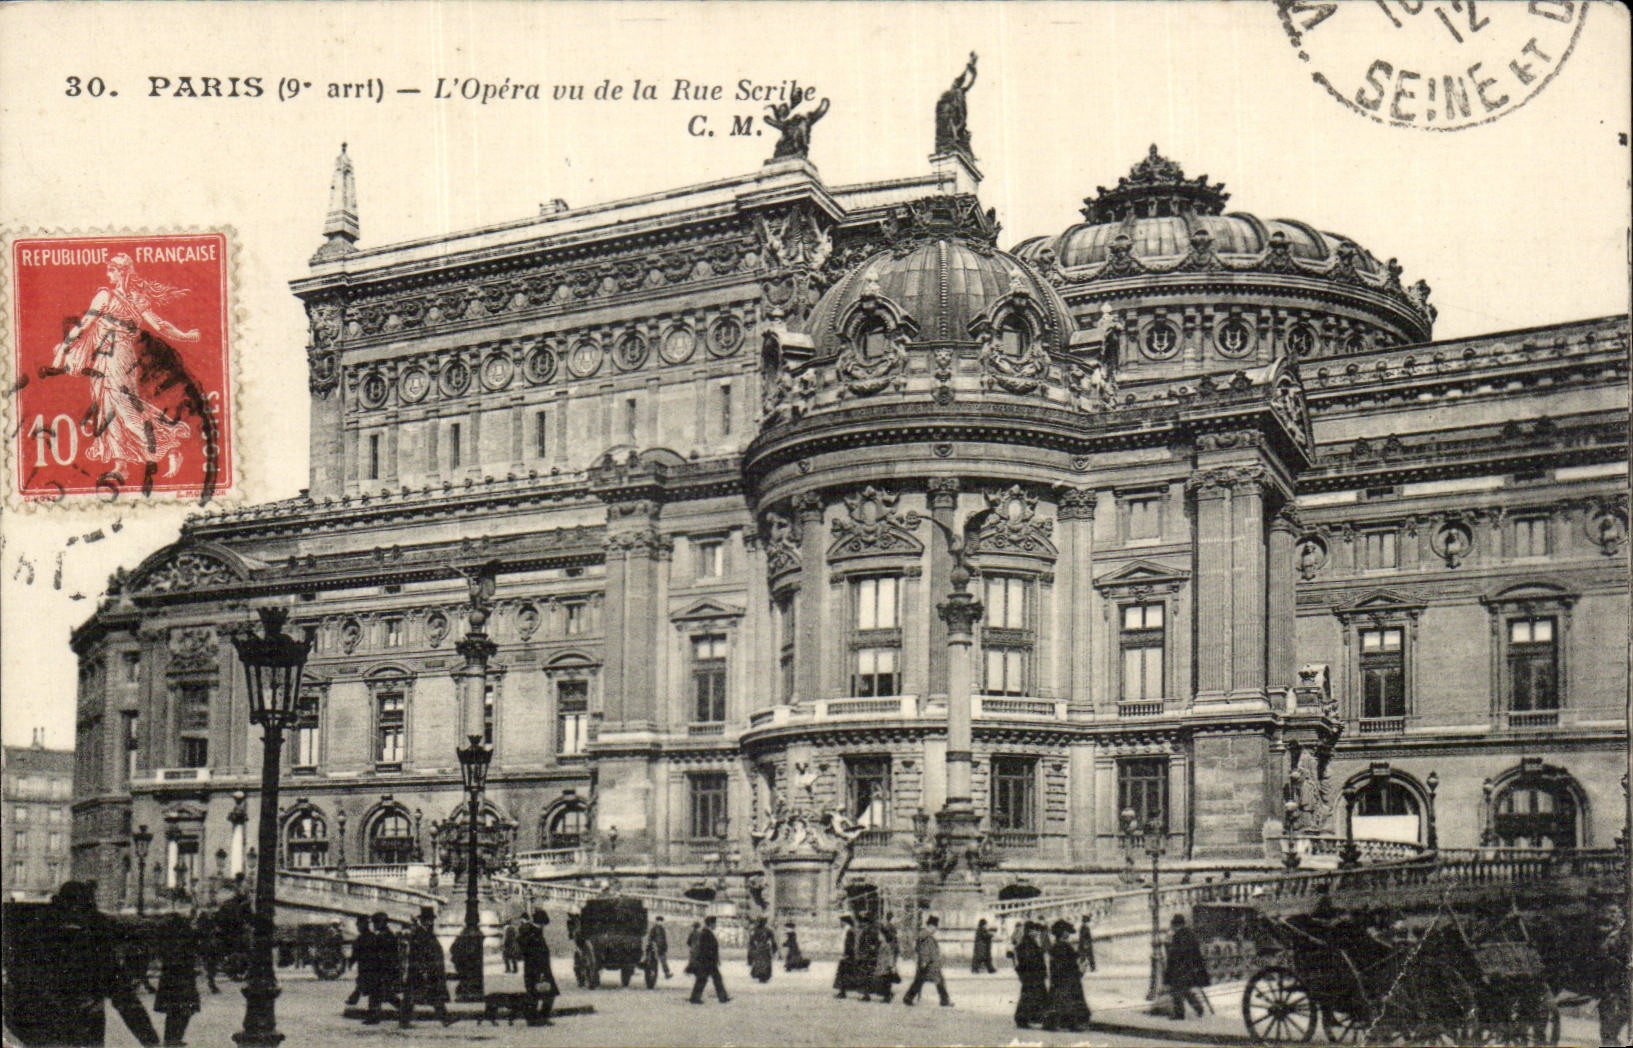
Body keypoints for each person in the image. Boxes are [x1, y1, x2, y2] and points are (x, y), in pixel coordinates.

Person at [48, 252, 203, 485]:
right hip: (105, 356)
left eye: (111, 270)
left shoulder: (115, 296)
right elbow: (86, 325)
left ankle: (170, 446)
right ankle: (120, 466)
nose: (108, 274)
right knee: (107, 408)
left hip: (119, 356)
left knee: (125, 408)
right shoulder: (114, 296)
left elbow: (157, 325)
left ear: (121, 271)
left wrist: (186, 336)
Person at [23, 880, 161, 1047]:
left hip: (53, 1021)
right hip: (82, 1018)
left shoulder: (40, 931)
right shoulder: (95, 941)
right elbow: (124, 998)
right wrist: (150, 1040)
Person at [399, 906, 453, 1028]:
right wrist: (423, 970)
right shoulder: (419, 934)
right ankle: (404, 1021)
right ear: (423, 920)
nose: (431, 922)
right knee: (413, 996)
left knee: (430, 995)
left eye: (432, 920)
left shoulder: (425, 933)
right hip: (421, 971)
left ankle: (445, 1019)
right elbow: (418, 954)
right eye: (429, 920)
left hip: (428, 970)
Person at [153, 914, 201, 1047]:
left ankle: (172, 1039)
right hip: (182, 978)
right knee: (183, 1009)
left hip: (172, 978)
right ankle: (173, 1040)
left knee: (174, 1011)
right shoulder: (184, 936)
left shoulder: (166, 938)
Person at [1042, 919, 1093, 1032]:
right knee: (1067, 1001)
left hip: (1062, 978)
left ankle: (1056, 1023)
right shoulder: (1062, 947)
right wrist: (1078, 969)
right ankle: (1071, 1024)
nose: (1068, 934)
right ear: (1061, 933)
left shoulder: (1058, 946)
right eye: (1066, 932)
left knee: (1059, 1001)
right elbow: (1066, 963)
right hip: (1066, 978)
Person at [1162, 913, 1211, 1020]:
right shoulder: (1190, 934)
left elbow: (1175, 954)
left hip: (1180, 968)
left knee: (1176, 991)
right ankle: (1198, 1008)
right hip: (1190, 968)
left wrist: (1170, 970)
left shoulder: (1178, 936)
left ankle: (1180, 1014)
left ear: (1176, 925)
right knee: (1185, 990)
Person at [353, 912, 399, 1025]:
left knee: (384, 994)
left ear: (382, 922)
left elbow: (387, 956)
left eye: (376, 922)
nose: (374, 925)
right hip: (380, 970)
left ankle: (405, 1011)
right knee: (379, 994)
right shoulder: (383, 935)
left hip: (385, 970)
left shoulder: (387, 936)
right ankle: (374, 1016)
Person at [517, 909, 559, 1027]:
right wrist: (541, 972)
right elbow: (537, 954)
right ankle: (538, 1018)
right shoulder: (533, 933)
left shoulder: (531, 932)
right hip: (539, 969)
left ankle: (535, 1018)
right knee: (546, 994)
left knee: (535, 994)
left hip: (533, 969)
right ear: (541, 923)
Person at [902, 915, 951, 1007]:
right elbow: (925, 950)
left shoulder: (925, 935)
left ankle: (908, 997)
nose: (935, 929)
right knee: (939, 982)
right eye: (935, 927)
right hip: (929, 964)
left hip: (929, 963)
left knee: (919, 981)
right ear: (931, 926)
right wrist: (924, 961)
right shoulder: (926, 937)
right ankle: (944, 1001)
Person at [1013, 921, 1049, 1029]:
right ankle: (1024, 1018)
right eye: (1035, 930)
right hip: (1032, 975)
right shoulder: (1027, 944)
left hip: (1033, 976)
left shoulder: (1029, 942)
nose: (1037, 932)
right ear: (1029, 931)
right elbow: (1030, 961)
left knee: (1030, 997)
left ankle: (1028, 1018)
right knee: (1031, 997)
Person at [686, 915, 729, 1004]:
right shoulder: (706, 933)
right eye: (715, 923)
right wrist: (712, 959)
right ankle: (721, 997)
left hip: (708, 961)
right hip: (708, 961)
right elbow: (706, 948)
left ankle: (722, 997)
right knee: (708, 979)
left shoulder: (706, 932)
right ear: (711, 923)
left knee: (710, 979)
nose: (716, 925)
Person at [344, 915, 372, 1006]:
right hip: (366, 966)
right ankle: (353, 999)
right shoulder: (369, 936)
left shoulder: (362, 938)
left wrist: (351, 962)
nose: (357, 927)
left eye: (358, 925)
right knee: (362, 983)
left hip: (367, 966)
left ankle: (402, 1007)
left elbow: (356, 953)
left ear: (364, 924)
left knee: (364, 984)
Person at [872, 916, 900, 1003]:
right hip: (882, 966)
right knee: (883, 982)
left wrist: (891, 966)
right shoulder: (883, 944)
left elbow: (890, 955)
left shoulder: (886, 945)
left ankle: (887, 996)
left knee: (884, 982)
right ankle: (887, 995)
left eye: (880, 935)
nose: (878, 936)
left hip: (885, 967)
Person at [854, 915, 881, 1001]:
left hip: (866, 956)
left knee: (865, 975)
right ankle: (867, 994)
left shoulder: (867, 932)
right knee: (869, 974)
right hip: (871, 956)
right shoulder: (874, 931)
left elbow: (862, 944)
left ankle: (866, 995)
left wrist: (861, 954)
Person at [746, 916, 778, 983]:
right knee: (765, 962)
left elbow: (751, 941)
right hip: (766, 948)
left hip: (758, 948)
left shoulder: (754, 930)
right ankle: (765, 975)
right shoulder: (768, 930)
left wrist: (752, 949)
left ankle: (759, 974)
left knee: (759, 962)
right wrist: (774, 949)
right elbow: (773, 941)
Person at [833, 914, 858, 998]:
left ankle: (843, 992)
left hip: (847, 955)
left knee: (844, 973)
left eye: (841, 921)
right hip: (846, 954)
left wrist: (847, 953)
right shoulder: (847, 930)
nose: (840, 923)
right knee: (844, 973)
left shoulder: (849, 930)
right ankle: (842, 991)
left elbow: (849, 944)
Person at [645, 914, 672, 979]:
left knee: (664, 961)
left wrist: (665, 947)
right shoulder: (654, 929)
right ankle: (652, 974)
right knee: (653, 962)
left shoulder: (662, 929)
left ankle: (667, 974)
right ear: (656, 921)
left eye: (661, 921)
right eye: (659, 921)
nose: (660, 922)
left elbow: (664, 939)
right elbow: (650, 938)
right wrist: (653, 946)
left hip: (661, 948)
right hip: (655, 948)